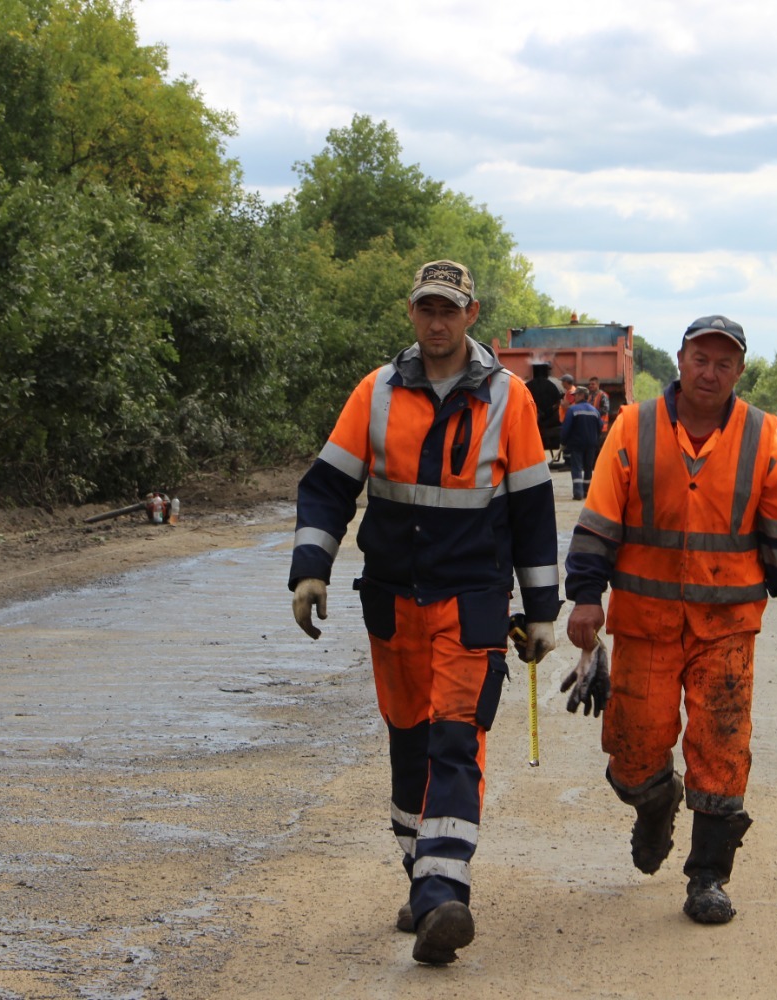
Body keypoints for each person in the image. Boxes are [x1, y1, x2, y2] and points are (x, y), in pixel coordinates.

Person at [289, 259, 561, 965]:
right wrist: (309, 570)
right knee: (409, 740)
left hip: (471, 598)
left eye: (450, 310)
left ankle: (445, 891)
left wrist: (541, 611)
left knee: (455, 736)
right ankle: (421, 878)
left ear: (472, 316)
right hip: (393, 598)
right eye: (425, 309)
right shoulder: (375, 392)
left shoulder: (509, 399)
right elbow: (327, 487)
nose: (437, 322)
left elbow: (532, 512)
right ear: (412, 314)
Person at [561, 314, 777, 925]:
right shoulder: (633, 426)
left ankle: (707, 877)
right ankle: (654, 805)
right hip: (646, 624)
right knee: (633, 751)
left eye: (723, 363)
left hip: (727, 626)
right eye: (700, 359)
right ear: (680, 361)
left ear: (739, 371)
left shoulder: (763, 437)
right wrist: (585, 599)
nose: (710, 372)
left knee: (722, 746)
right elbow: (599, 519)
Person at [561, 385, 602, 501]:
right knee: (588, 468)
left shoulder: (573, 410)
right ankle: (587, 492)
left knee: (577, 467)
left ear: (582, 395)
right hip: (591, 444)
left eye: (576, 395)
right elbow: (600, 427)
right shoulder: (595, 411)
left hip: (577, 444)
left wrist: (563, 442)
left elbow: (566, 428)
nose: (574, 398)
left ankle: (578, 492)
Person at [526, 361, 563, 456]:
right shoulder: (553, 387)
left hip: (532, 420)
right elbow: (558, 402)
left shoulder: (528, 386)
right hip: (549, 421)